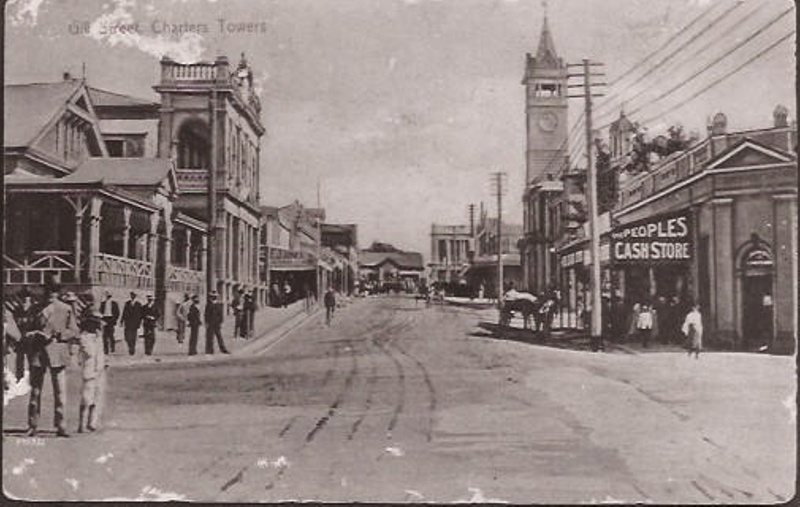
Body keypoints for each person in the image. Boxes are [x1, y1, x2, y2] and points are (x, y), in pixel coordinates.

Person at [27, 286, 79, 438]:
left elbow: (74, 330)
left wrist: (60, 334)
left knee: (60, 391)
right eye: (48, 291)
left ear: (58, 293)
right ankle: (32, 425)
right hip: (38, 352)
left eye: (54, 291)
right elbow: (26, 329)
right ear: (44, 292)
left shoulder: (65, 309)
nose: (50, 295)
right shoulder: (36, 308)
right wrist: (34, 334)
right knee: (35, 391)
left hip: (57, 352)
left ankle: (61, 426)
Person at [76, 308, 105, 433]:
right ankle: (81, 424)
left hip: (99, 369)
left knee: (97, 397)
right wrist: (96, 339)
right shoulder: (84, 337)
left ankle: (92, 422)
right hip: (89, 370)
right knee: (86, 398)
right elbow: (90, 352)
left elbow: (101, 354)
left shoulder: (98, 338)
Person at [13, 292, 39, 381]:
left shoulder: (35, 310)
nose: (24, 300)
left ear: (30, 299)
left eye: (27, 298)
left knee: (31, 358)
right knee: (19, 358)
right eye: (22, 298)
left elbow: (38, 325)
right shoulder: (17, 310)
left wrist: (33, 333)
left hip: (31, 338)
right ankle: (19, 376)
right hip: (20, 337)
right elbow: (13, 324)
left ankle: (33, 377)